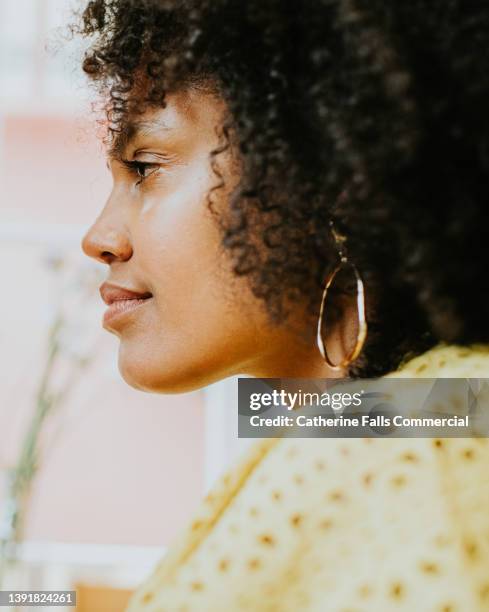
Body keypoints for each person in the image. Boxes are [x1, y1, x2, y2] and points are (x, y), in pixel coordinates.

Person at [77, 1, 489, 609]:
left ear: (326, 176)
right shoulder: (380, 423)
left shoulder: (440, 435)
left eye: (146, 166)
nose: (99, 237)